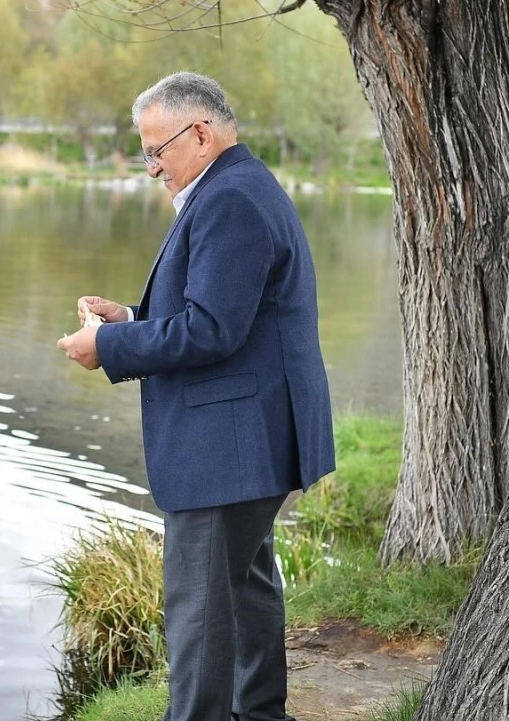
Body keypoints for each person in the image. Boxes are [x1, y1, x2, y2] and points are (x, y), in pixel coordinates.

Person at [57, 71, 335, 721]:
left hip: (228, 446)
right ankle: (260, 714)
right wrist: (130, 318)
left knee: (199, 611)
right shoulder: (239, 186)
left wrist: (109, 347)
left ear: (201, 134)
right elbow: (223, 314)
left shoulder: (230, 199)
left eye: (157, 150)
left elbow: (211, 330)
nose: (153, 167)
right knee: (246, 590)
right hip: (248, 439)